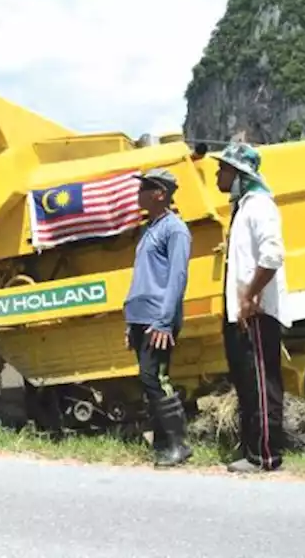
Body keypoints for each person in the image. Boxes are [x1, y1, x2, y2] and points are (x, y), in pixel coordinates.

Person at [214, 142, 289, 473]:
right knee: (247, 382)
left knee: (261, 383)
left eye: (223, 169)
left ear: (239, 174)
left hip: (255, 314)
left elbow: (272, 255)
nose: (218, 174)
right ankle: (253, 451)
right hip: (241, 314)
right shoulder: (243, 208)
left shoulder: (259, 206)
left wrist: (250, 295)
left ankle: (266, 456)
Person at [122, 167, 193, 468]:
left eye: (144, 188)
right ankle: (163, 444)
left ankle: (180, 445)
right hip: (141, 317)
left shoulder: (174, 229)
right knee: (148, 378)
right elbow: (143, 278)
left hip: (157, 318)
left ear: (160, 194)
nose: (138, 194)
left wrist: (164, 321)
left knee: (155, 378)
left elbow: (177, 276)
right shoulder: (149, 229)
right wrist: (130, 322)